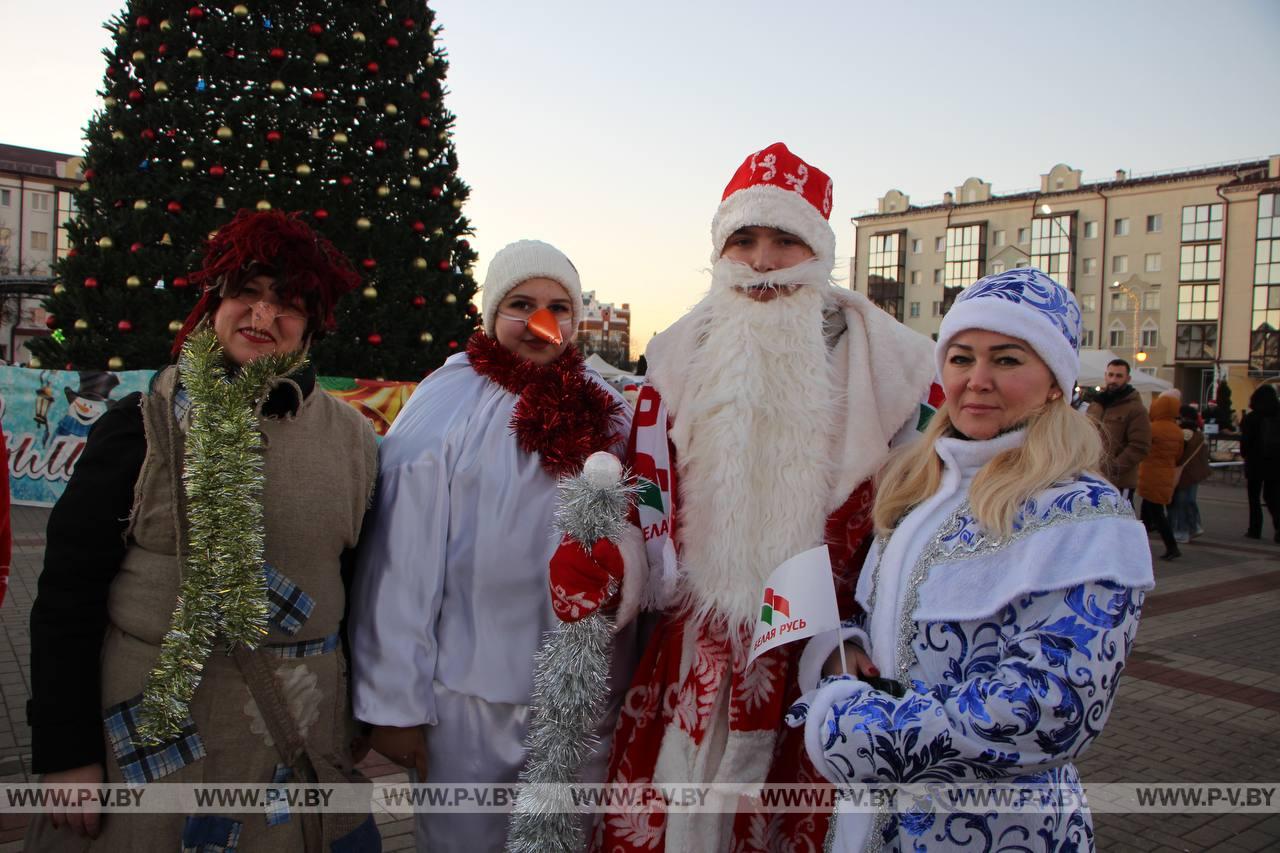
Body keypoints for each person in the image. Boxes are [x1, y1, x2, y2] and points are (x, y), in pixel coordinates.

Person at [551, 142, 938, 851]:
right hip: (690, 658)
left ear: (818, 252)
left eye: (785, 241)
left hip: (822, 664)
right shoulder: (676, 360)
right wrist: (613, 560)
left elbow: (914, 530)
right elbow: (651, 509)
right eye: (745, 240)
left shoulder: (899, 373)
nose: (761, 262)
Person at [26, 210, 379, 851]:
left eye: (289, 304)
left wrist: (362, 715)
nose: (263, 318)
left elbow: (361, 590)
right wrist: (66, 752)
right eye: (247, 294)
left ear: (313, 324)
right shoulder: (140, 425)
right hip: (150, 740)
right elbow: (66, 597)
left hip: (297, 730)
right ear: (213, 304)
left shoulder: (355, 441)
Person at [789, 267, 1154, 852]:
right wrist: (845, 652)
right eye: (961, 358)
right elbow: (884, 617)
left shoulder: (1085, 513)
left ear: (1055, 382)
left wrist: (849, 727)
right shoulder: (920, 488)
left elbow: (1056, 706)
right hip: (874, 822)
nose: (977, 380)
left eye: (1007, 360)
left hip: (996, 830)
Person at [349, 240, 633, 851]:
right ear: (490, 314)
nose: (542, 322)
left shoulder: (607, 408)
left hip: (580, 699)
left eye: (559, 307)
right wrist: (394, 704)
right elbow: (399, 564)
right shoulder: (447, 403)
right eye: (522, 304)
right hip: (469, 700)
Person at [1086, 358, 1151, 506]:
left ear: (1128, 379)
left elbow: (1140, 446)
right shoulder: (1096, 405)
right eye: (1110, 375)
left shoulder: (1136, 409)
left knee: (1121, 521)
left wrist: (1114, 467)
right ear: (1105, 376)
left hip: (1120, 481)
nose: (1113, 380)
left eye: (1118, 376)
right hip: (1093, 476)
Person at [1138, 394, 1185, 560]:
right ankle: (1142, 544)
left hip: (1151, 473)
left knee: (1156, 513)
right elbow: (1179, 454)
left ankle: (1171, 546)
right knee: (1151, 509)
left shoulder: (1153, 428)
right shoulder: (1177, 430)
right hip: (1167, 473)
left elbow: (1143, 448)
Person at [1240, 383, 1280, 541]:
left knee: (1254, 497)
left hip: (1255, 462)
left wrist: (1245, 455)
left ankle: (1255, 529)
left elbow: (1245, 441)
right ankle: (1278, 526)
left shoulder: (1252, 417)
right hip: (1276, 463)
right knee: (1273, 496)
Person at [1170, 404, 1211, 543]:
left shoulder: (1183, 433)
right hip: (1195, 472)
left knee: (1181, 502)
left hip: (1183, 472)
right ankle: (1194, 526)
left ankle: (1182, 531)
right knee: (1190, 500)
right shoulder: (1199, 433)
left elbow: (1178, 453)